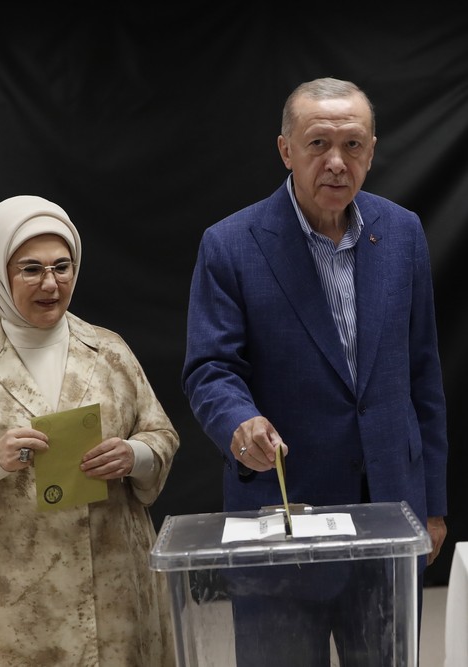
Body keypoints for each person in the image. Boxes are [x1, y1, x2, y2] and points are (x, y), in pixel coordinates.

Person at [182, 77, 448, 665]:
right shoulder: (231, 244)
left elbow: (424, 374)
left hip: (389, 512)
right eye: (318, 143)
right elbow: (210, 368)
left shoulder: (402, 233)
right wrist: (239, 422)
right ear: (285, 150)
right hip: (284, 518)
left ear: (372, 150)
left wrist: (431, 505)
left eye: (352, 145)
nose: (336, 161)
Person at [0, 194, 179, 667]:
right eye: (31, 269)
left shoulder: (110, 352)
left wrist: (134, 455)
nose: (51, 283)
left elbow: (161, 435)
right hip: (8, 601)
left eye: (62, 266)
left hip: (112, 593)